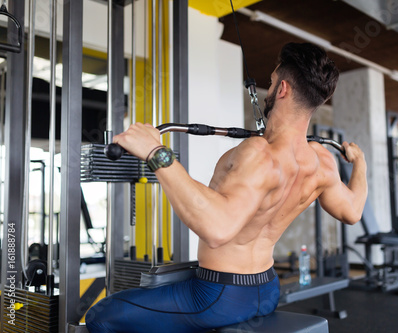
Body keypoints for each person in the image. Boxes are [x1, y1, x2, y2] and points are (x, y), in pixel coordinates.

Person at [86, 42, 367, 333]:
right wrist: (361, 165)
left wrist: (156, 153)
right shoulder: (323, 161)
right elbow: (352, 211)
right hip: (267, 290)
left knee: (101, 316)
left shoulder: (259, 153)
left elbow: (218, 229)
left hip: (219, 295)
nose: (268, 90)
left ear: (282, 89)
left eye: (270, 83)